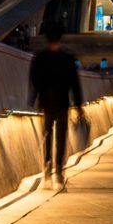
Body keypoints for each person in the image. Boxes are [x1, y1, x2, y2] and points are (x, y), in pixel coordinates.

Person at [27, 26, 84, 191]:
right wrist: (79, 105)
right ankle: (58, 169)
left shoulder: (40, 58)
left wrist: (33, 99)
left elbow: (34, 79)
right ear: (59, 39)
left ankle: (47, 165)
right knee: (61, 136)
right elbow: (74, 83)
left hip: (46, 103)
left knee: (47, 134)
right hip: (62, 103)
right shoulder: (67, 59)